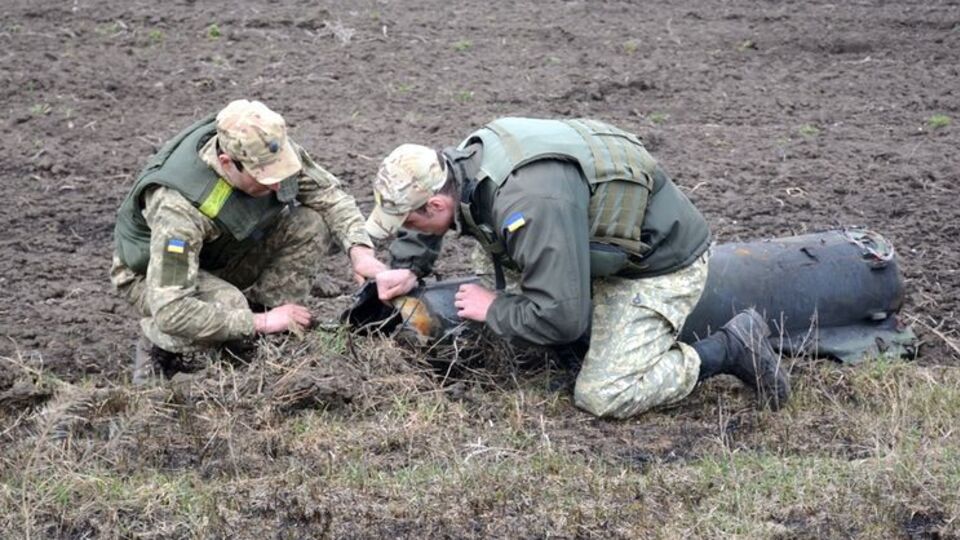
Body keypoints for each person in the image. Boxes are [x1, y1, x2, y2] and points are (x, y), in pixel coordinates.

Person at [366, 117, 790, 419]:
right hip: (583, 243)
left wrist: (494, 308)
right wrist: (408, 266)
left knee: (604, 394)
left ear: (437, 202)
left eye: (409, 221)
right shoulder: (461, 167)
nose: (408, 229)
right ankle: (582, 347)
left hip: (655, 264)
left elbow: (563, 317)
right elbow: (428, 220)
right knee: (498, 266)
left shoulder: (527, 205)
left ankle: (730, 348)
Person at [111, 99, 386, 382]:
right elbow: (171, 309)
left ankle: (257, 342)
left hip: (220, 253)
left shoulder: (268, 151)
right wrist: (259, 322)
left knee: (310, 224)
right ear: (227, 163)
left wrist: (360, 251)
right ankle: (157, 345)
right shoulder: (177, 207)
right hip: (151, 278)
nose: (278, 185)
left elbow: (330, 196)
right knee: (228, 306)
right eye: (265, 178)